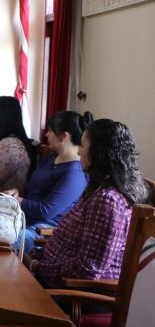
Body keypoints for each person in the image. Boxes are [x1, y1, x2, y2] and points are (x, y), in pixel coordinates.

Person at [24, 119, 151, 289]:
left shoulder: (108, 201)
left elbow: (87, 270)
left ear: (99, 153)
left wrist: (36, 266)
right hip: (49, 276)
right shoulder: (98, 189)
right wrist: (35, 257)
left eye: (82, 146)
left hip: (68, 291)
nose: (79, 153)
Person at [4, 111, 93, 254]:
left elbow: (46, 211)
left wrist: (17, 200)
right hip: (22, 219)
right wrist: (18, 192)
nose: (46, 135)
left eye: (50, 131)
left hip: (43, 231)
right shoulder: (51, 157)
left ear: (64, 136)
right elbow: (33, 190)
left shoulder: (74, 173)